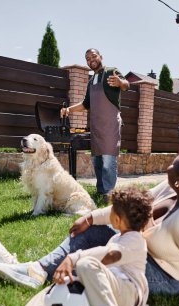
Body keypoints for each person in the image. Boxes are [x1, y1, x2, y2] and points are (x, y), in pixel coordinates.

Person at [0, 149, 179, 298]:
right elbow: (133, 206)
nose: (169, 166)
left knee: (107, 255)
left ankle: (55, 283)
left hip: (167, 277)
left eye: (173, 164)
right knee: (99, 228)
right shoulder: (171, 186)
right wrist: (91, 217)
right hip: (140, 250)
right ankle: (37, 270)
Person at [0, 187, 153, 306]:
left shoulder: (136, 241)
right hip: (109, 286)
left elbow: (110, 255)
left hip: (128, 293)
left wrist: (73, 257)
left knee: (86, 265)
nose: (109, 211)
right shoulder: (119, 236)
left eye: (112, 209)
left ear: (118, 219)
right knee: (57, 286)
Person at [61, 48, 129, 200]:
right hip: (97, 126)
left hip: (110, 124)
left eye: (93, 56)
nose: (91, 59)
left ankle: (109, 193)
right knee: (97, 160)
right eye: (87, 58)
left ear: (100, 57)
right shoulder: (91, 81)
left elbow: (126, 85)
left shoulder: (112, 71)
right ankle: (100, 191)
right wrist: (68, 110)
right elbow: (86, 104)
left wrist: (120, 82)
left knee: (108, 160)